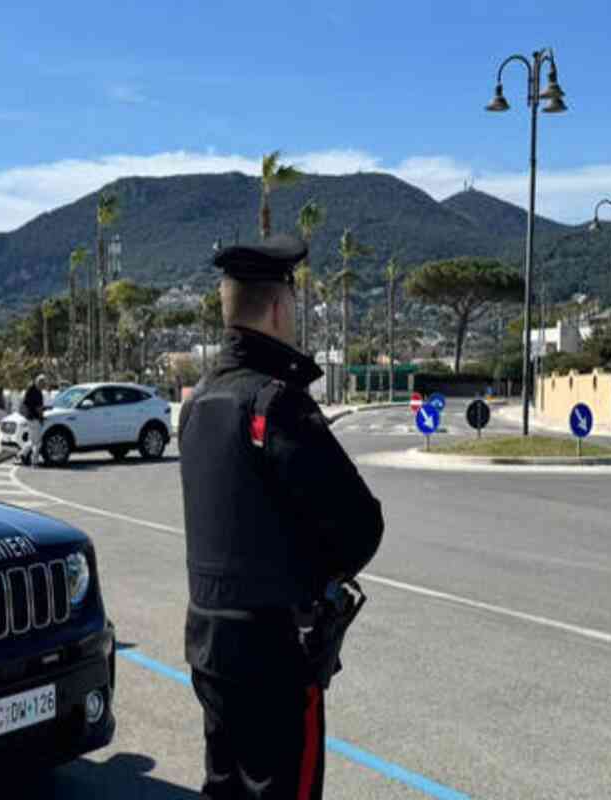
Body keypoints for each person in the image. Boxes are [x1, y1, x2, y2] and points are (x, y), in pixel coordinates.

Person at [178, 234, 384, 800]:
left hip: (210, 646)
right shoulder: (278, 403)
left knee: (223, 790)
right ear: (278, 307)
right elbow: (361, 528)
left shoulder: (198, 404)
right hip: (276, 659)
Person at [19, 373, 48, 466]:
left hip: (29, 417)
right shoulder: (37, 393)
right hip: (34, 418)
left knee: (32, 440)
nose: (43, 386)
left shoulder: (30, 388)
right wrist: (42, 418)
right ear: (39, 382)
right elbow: (38, 408)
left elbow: (26, 403)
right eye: (43, 384)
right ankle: (34, 462)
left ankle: (22, 454)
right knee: (38, 442)